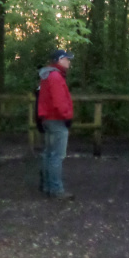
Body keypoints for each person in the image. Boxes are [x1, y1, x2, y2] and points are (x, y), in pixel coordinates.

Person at [37, 49, 76, 200]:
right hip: (56, 120)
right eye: (67, 59)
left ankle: (48, 186)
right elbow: (59, 102)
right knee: (56, 156)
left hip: (48, 119)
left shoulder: (47, 76)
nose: (69, 61)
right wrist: (67, 116)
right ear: (59, 60)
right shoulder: (55, 77)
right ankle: (56, 189)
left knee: (48, 154)